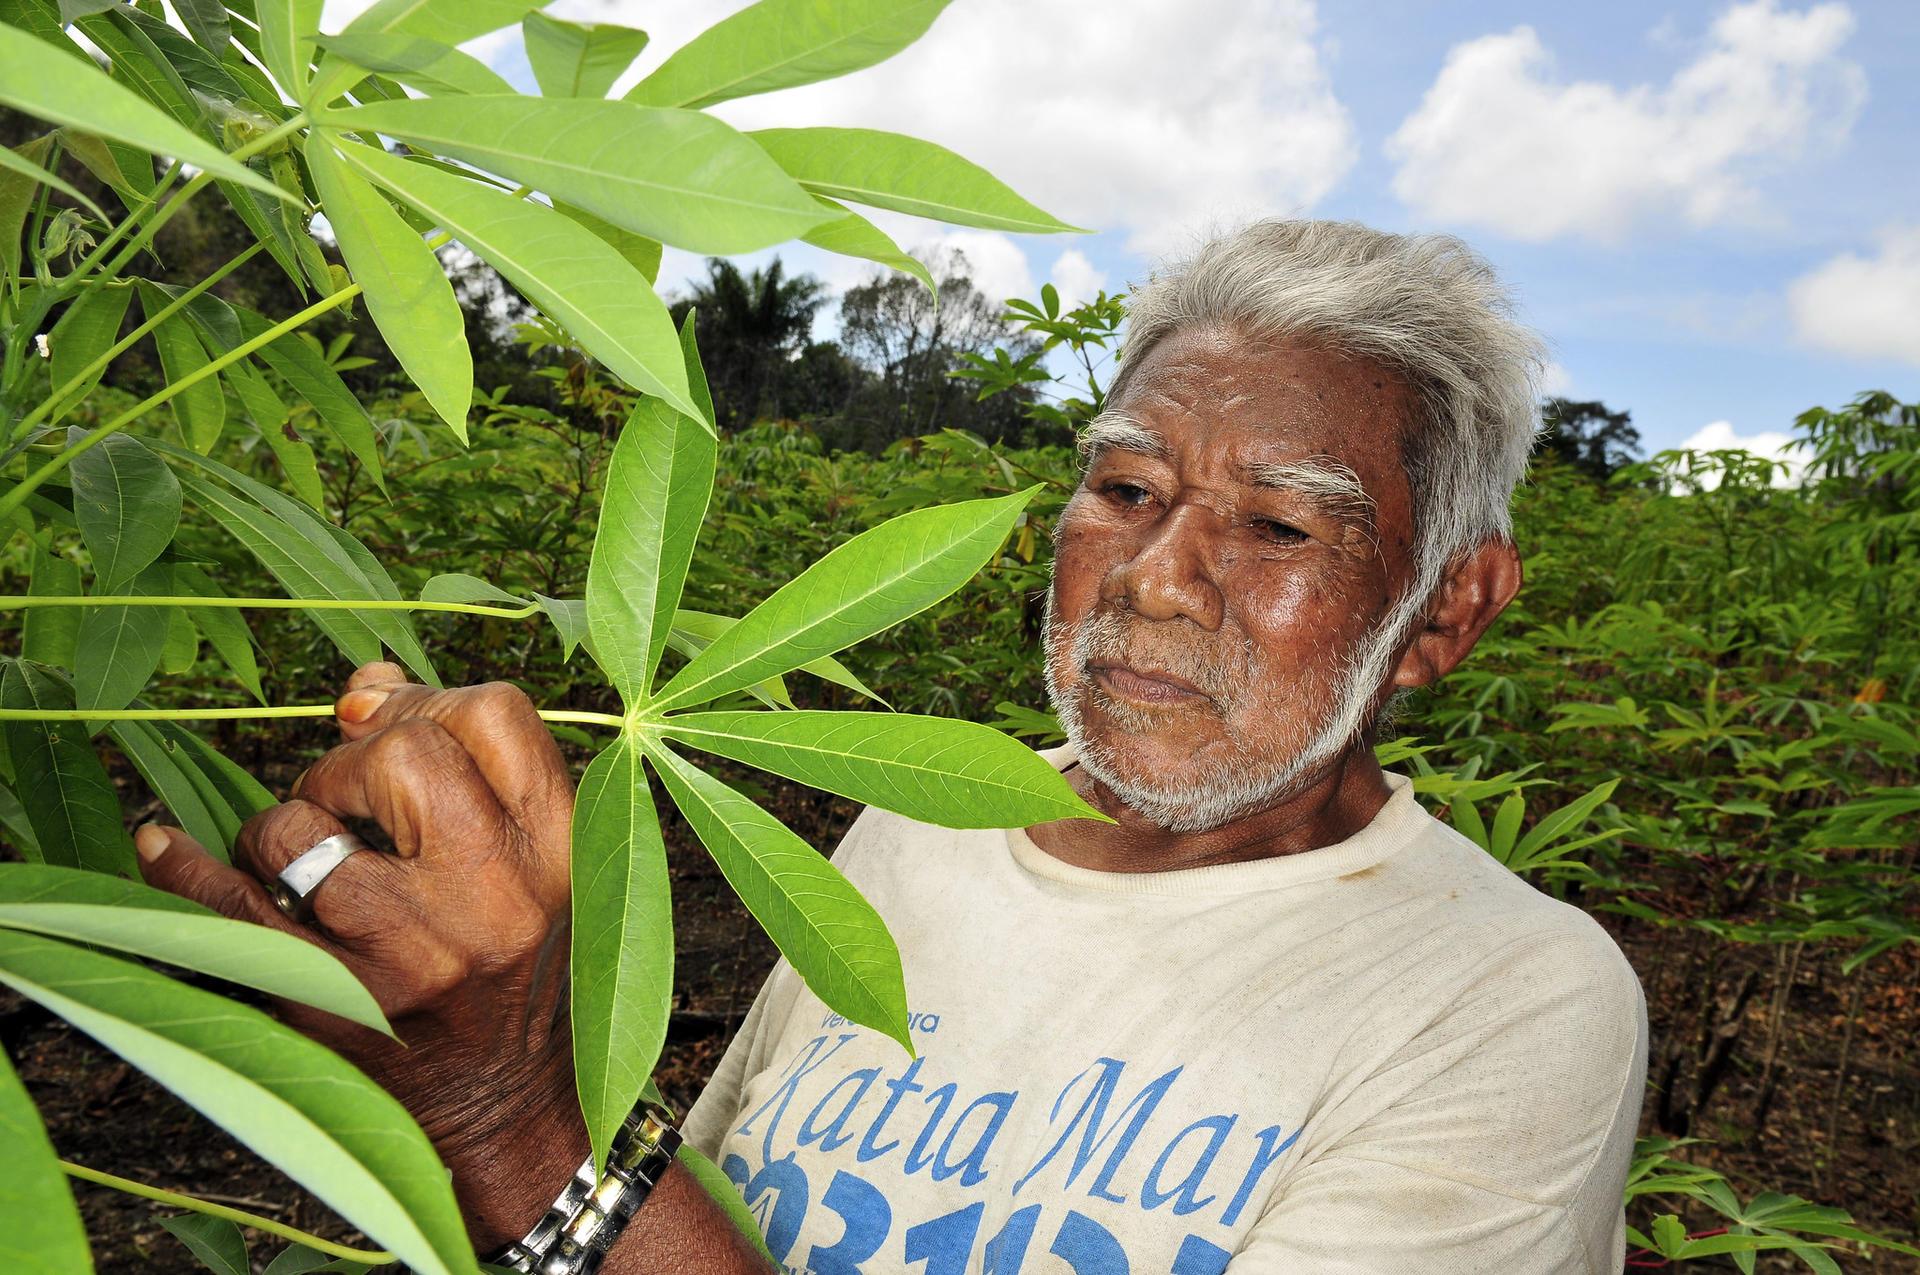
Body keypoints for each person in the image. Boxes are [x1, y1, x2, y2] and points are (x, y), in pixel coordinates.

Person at [134, 219, 1647, 1274]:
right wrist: (463, 1019)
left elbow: (585, 1199)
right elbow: (704, 1192)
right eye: (1124, 489)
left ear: (1448, 610)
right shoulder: (925, 817)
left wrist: (513, 1125)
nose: (1157, 576)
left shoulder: (1515, 999)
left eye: (1275, 523)